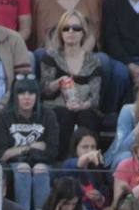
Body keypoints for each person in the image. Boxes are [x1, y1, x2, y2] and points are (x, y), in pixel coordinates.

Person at [38, 8, 103, 155]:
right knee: (63, 115)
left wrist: (81, 106)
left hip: (83, 106)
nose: (71, 32)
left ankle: (90, 159)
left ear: (83, 33)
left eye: (76, 28)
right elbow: (44, 91)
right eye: (66, 28)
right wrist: (58, 82)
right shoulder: (50, 57)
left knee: (87, 116)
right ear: (61, 33)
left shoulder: (93, 61)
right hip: (56, 106)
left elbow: (95, 98)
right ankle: (60, 160)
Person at [0, 75, 56, 210]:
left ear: (37, 96)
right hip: (15, 165)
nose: (27, 97)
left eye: (31, 93)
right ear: (15, 95)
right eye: (21, 93)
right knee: (23, 168)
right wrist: (31, 146)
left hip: (42, 164)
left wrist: (15, 150)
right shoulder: (3, 117)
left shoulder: (48, 115)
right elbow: (2, 155)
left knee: (40, 168)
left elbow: (52, 152)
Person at [59, 127, 111, 210]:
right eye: (85, 147)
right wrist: (88, 156)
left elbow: (104, 196)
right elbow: (78, 163)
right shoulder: (68, 164)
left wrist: (99, 198)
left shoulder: (97, 170)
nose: (90, 151)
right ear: (75, 148)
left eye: (93, 147)